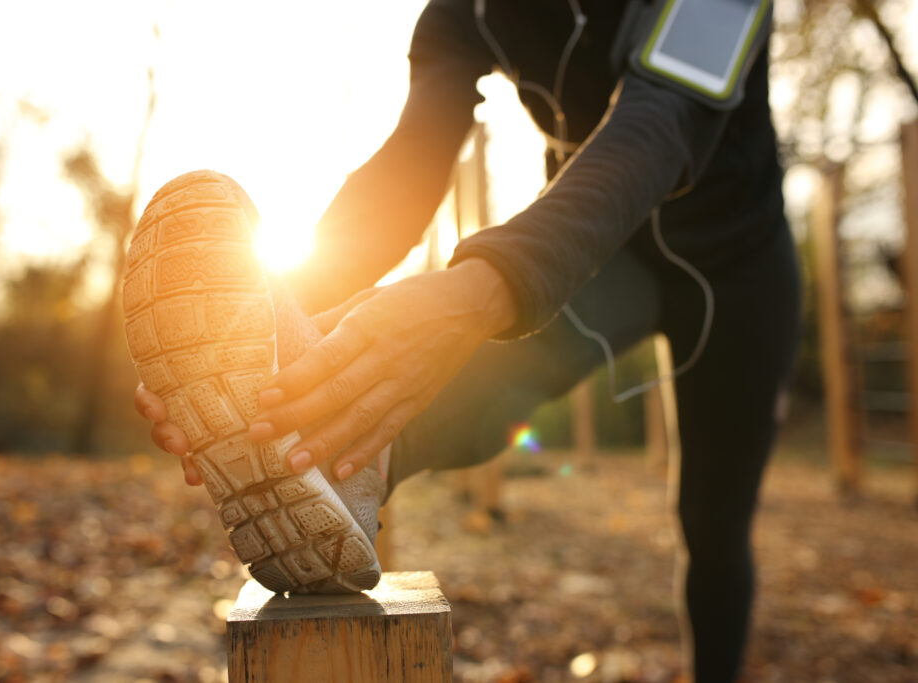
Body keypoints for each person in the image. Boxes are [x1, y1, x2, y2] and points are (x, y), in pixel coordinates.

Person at [135, 1, 799, 680]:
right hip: (606, 255)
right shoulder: (463, 11)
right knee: (501, 356)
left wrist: (482, 289)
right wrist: (275, 323)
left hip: (739, 265)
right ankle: (355, 457)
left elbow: (663, 119)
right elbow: (411, 164)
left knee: (714, 528)